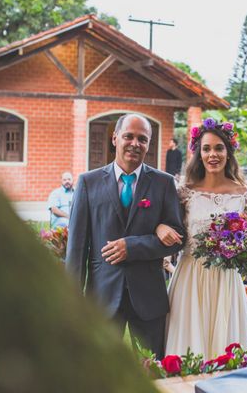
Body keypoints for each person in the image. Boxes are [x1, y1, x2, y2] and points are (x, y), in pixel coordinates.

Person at [68, 114, 185, 360]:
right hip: (102, 295)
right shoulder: (88, 182)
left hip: (148, 296)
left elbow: (178, 238)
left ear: (149, 144)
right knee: (100, 369)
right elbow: (77, 248)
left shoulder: (163, 183)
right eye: (128, 136)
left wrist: (132, 246)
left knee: (153, 369)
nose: (135, 143)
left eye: (142, 139)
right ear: (115, 139)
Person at [160, 119, 247, 359]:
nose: (213, 154)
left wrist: (242, 249)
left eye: (218, 148)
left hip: (226, 280)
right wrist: (160, 227)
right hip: (190, 276)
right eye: (206, 148)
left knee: (228, 348)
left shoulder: (245, 195)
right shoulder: (184, 192)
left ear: (228, 151)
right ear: (198, 153)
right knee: (189, 349)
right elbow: (171, 229)